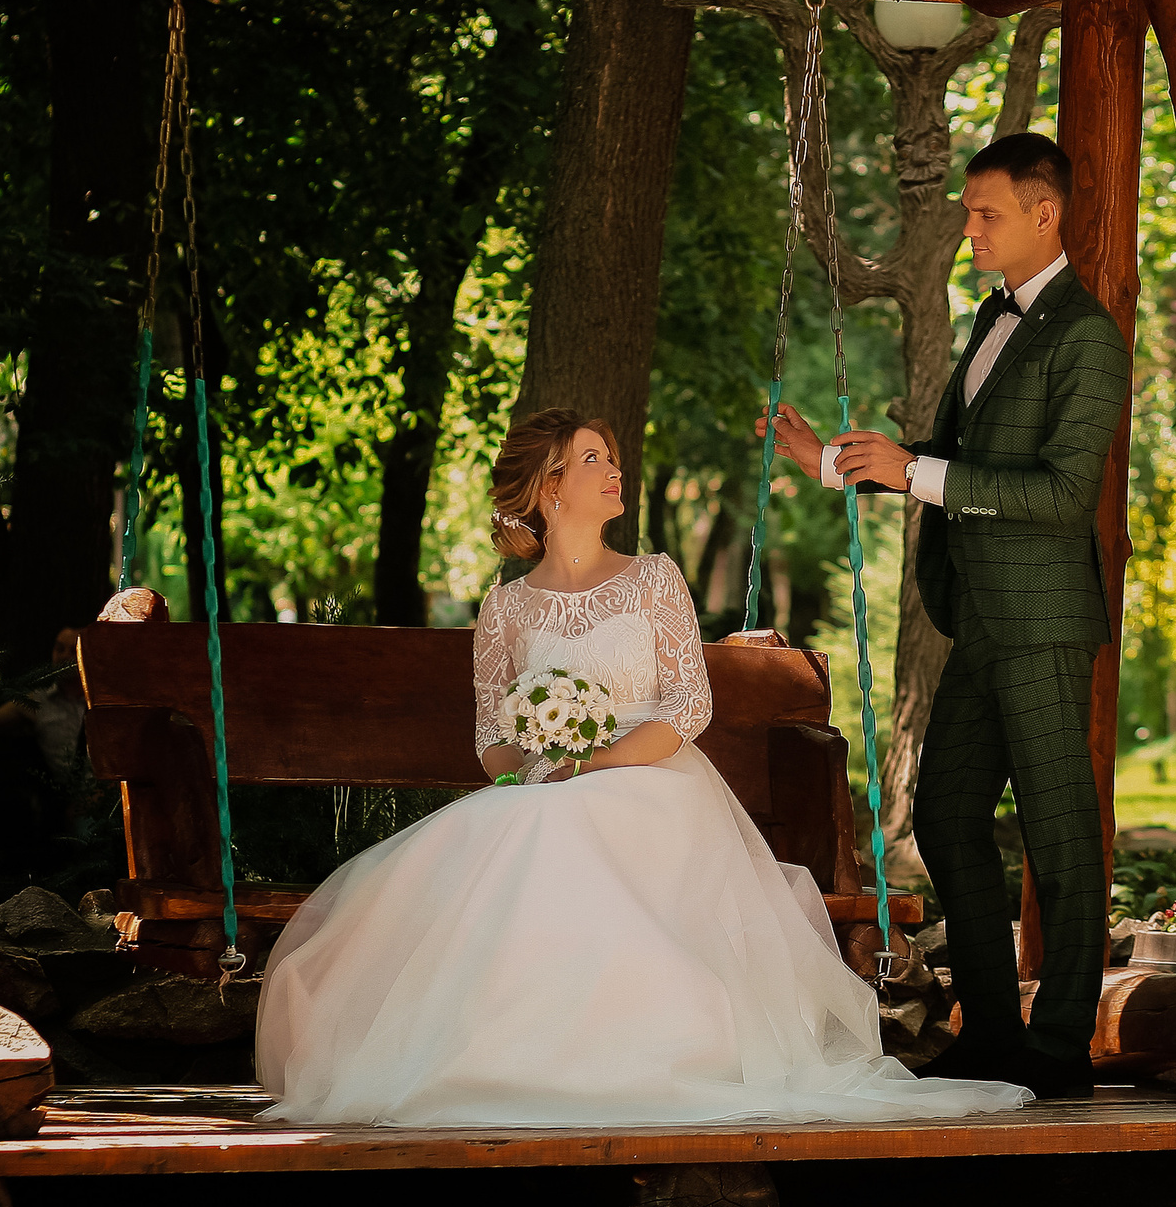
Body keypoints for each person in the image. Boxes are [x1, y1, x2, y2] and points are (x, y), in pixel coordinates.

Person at [256, 407, 1029, 1127]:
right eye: (593, 459)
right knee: (518, 839)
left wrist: (593, 760)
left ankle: (641, 1049)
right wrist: (537, 758)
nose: (613, 470)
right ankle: (509, 1056)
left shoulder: (654, 578)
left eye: (614, 458)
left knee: (593, 829)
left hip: (654, 780)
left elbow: (687, 705)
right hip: (545, 785)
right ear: (549, 487)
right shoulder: (507, 608)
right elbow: (491, 734)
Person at [757, 132, 1130, 1098]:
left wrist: (919, 471)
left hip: (1045, 622)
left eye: (985, 213)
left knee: (1059, 830)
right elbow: (945, 456)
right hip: (979, 620)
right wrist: (830, 463)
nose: (967, 229)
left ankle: (1058, 1052)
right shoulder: (990, 319)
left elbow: (1059, 492)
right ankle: (995, 1034)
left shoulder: (1087, 335)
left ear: (1045, 215)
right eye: (968, 212)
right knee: (946, 811)